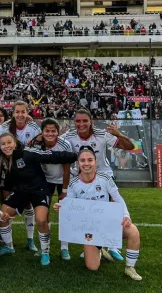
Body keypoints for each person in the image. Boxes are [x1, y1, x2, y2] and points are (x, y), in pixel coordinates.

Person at [0, 132, 77, 266]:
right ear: (0, 146)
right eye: (3, 144)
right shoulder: (2, 160)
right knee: (2, 215)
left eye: (9, 142)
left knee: (41, 220)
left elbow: (53, 156)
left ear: (15, 143)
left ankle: (45, 252)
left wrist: (77, 156)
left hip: (39, 190)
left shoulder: (28, 153)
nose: (6, 146)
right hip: (20, 192)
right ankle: (9, 246)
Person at [54, 147, 142, 281]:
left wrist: (126, 216)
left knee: (133, 231)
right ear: (78, 163)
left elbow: (118, 198)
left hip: (108, 224)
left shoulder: (105, 178)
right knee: (92, 267)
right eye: (82, 160)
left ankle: (130, 268)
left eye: (90, 160)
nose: (86, 163)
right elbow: (70, 205)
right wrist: (62, 207)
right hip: (90, 229)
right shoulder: (73, 184)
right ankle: (99, 249)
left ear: (95, 162)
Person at [62, 109, 134, 261]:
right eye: (78, 121)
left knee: (111, 208)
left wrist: (118, 133)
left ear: (91, 122)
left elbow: (130, 146)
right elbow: (52, 141)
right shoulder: (68, 137)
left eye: (85, 121)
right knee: (86, 213)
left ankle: (113, 247)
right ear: (74, 122)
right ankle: (92, 246)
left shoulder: (101, 134)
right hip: (81, 177)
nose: (81, 124)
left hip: (103, 175)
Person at [0, 101, 41, 252]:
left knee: (28, 203)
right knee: (6, 201)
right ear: (13, 113)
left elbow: (41, 140)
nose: (20, 115)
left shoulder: (33, 126)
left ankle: (30, 240)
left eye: (23, 112)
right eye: (17, 112)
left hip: (26, 169)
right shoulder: (6, 126)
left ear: (27, 112)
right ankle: (7, 241)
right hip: (7, 168)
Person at [29, 118, 73, 260]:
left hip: (62, 180)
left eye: (53, 131)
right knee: (44, 212)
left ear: (58, 132)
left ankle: (64, 248)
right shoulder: (36, 144)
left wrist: (65, 191)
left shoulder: (64, 144)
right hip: (45, 180)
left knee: (64, 212)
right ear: (41, 132)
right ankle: (45, 247)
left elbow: (66, 170)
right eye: (47, 131)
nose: (50, 134)